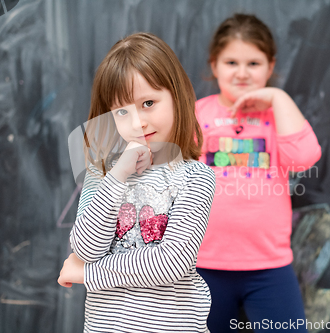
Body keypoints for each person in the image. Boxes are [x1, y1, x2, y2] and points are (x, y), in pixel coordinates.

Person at [57, 32, 215, 333]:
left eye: (148, 103)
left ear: (177, 97)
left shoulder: (195, 177)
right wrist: (118, 175)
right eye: (121, 111)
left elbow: (173, 261)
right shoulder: (101, 175)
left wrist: (88, 275)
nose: (137, 122)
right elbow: (86, 249)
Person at [195, 14, 322, 332]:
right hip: (202, 266)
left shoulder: (279, 114)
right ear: (214, 65)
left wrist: (279, 98)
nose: (241, 73)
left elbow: (303, 159)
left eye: (253, 63)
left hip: (269, 267)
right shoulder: (197, 114)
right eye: (231, 62)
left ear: (270, 66)